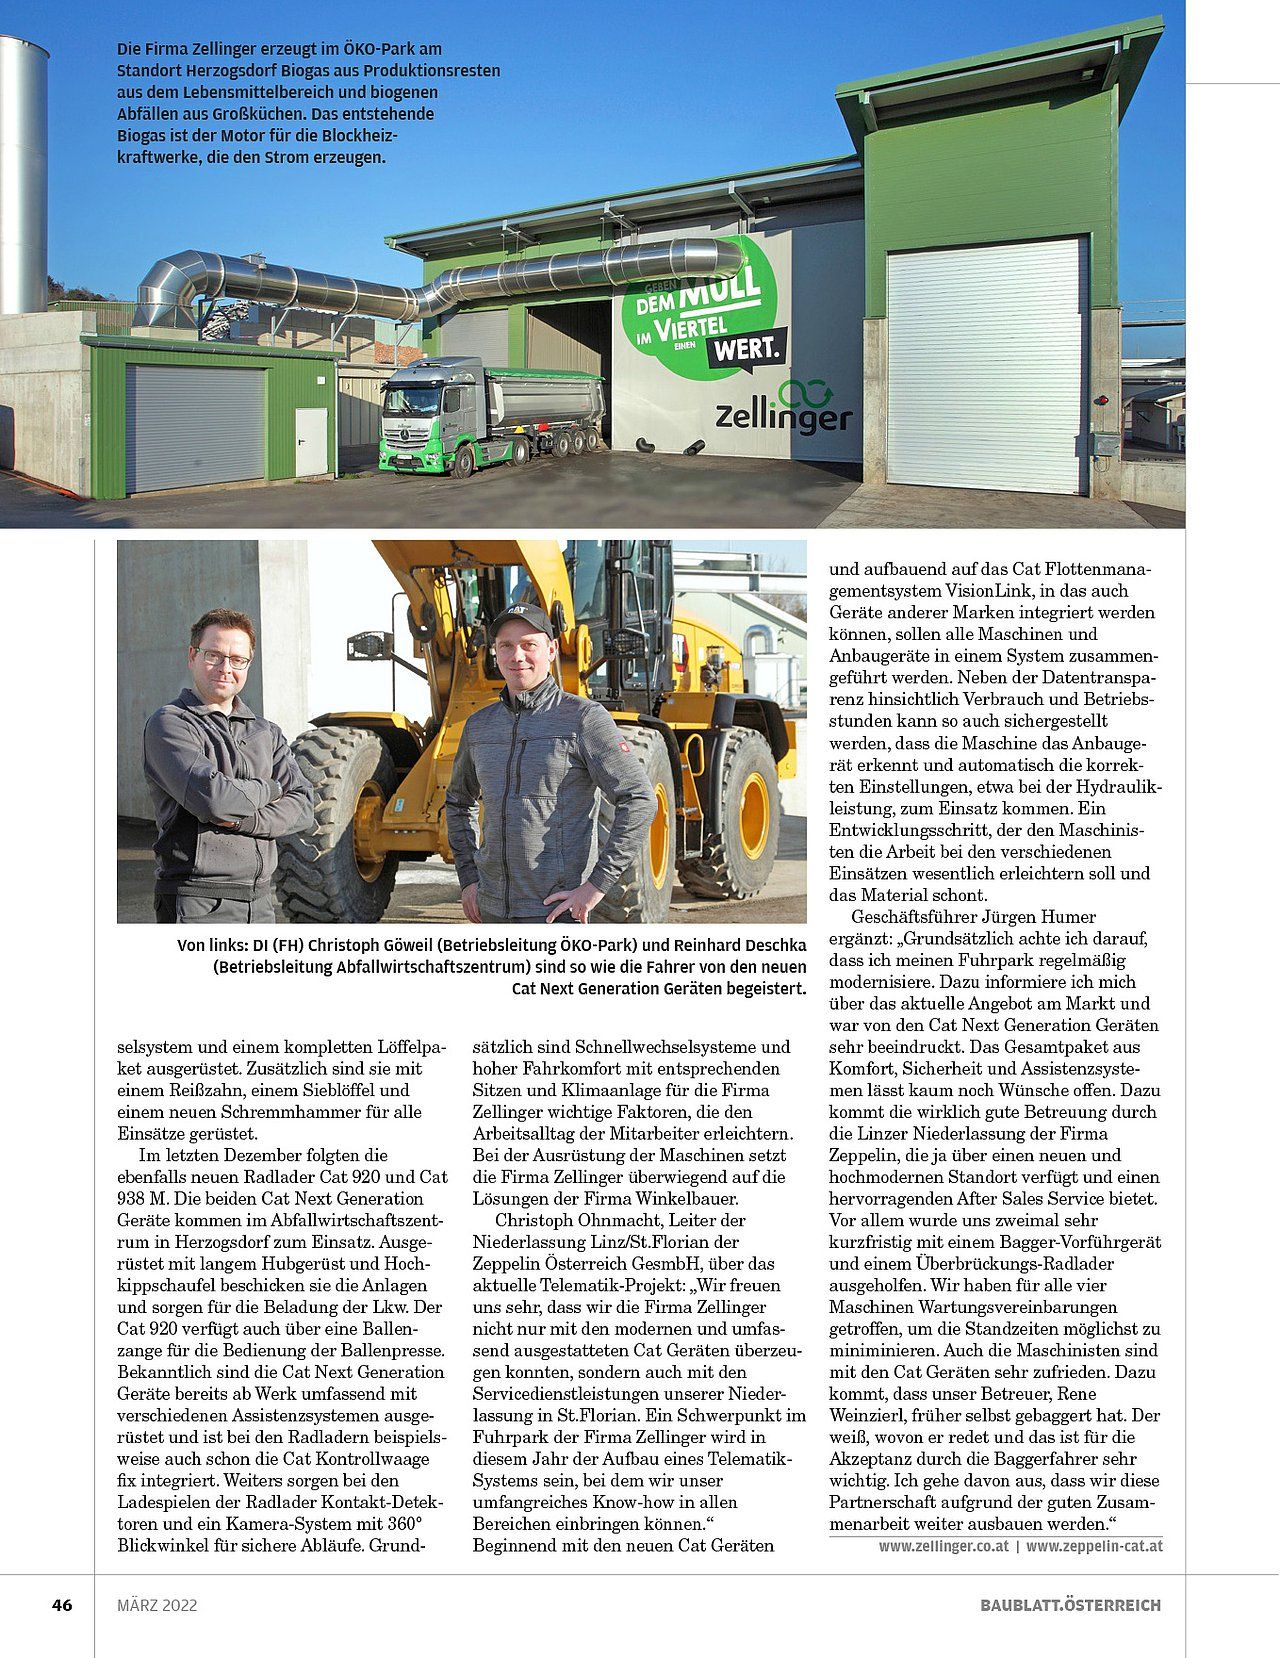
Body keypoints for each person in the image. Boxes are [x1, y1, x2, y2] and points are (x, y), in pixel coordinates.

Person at [444, 604, 657, 923]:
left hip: (555, 913)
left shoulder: (583, 719)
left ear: (552, 649)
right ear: (496, 653)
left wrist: (596, 886)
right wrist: (469, 879)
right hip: (492, 911)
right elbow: (458, 803)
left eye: (529, 645)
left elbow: (639, 799)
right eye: (506, 646)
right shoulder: (479, 727)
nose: (517, 656)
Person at [143, 608, 314, 924]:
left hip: (261, 904)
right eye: (214, 655)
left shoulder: (267, 732)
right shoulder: (170, 725)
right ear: (193, 656)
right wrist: (274, 789)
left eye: (238, 659)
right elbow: (216, 800)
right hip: (197, 904)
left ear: (248, 664)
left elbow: (303, 807)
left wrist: (241, 820)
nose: (225, 668)